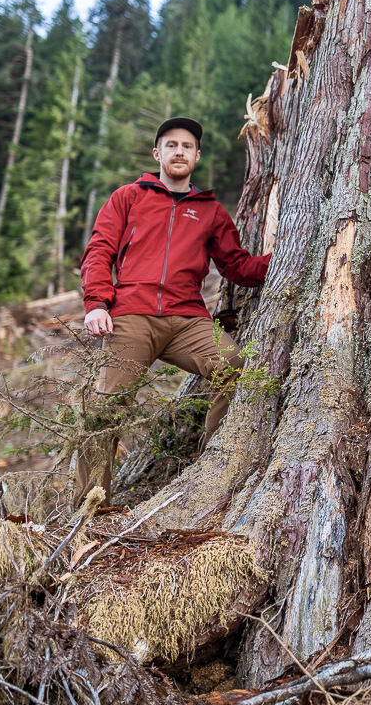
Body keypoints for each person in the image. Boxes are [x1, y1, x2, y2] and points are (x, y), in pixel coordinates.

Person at [76, 117, 270, 503]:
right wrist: (97, 303)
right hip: (131, 316)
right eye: (171, 145)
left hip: (188, 321)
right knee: (106, 409)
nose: (179, 151)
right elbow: (99, 251)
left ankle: (213, 479)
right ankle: (90, 509)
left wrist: (281, 259)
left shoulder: (210, 211)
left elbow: (236, 265)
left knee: (231, 362)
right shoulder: (128, 197)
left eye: (186, 146)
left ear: (197, 156)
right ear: (157, 153)